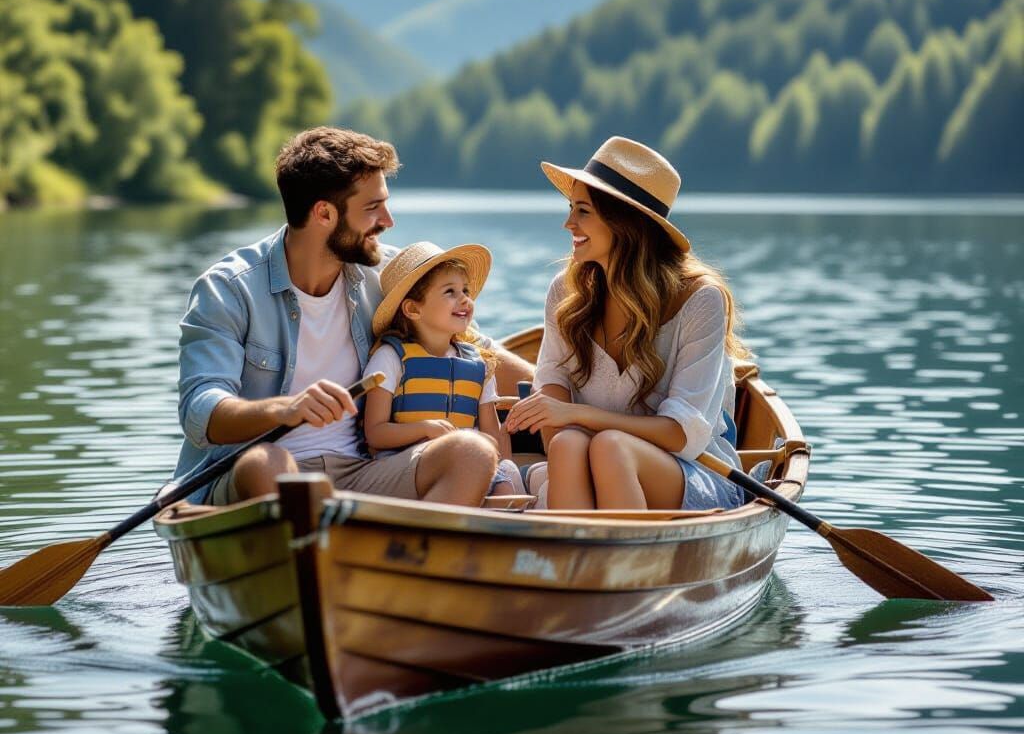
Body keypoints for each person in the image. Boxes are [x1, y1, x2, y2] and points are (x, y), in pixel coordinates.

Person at [174, 126, 532, 507]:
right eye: (373, 207)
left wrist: (560, 393)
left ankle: (410, 557)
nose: (389, 220)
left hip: (363, 472)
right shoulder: (230, 288)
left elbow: (475, 346)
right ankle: (314, 552)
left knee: (471, 451)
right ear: (324, 213)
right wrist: (286, 408)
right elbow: (201, 410)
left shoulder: (389, 277)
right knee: (268, 462)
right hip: (258, 477)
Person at [505, 136, 748, 512]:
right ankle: (574, 563)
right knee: (569, 443)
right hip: (585, 455)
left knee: (612, 447)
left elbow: (681, 434)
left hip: (690, 472)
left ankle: (627, 569)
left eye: (582, 211)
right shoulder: (567, 292)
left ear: (623, 221)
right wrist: (565, 420)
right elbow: (552, 402)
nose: (568, 222)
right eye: (572, 208)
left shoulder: (700, 299)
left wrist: (579, 414)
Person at [362, 242, 525, 497]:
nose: (465, 300)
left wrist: (501, 466)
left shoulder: (479, 364)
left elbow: (492, 434)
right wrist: (425, 428)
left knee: (506, 489)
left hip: (473, 462)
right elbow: (375, 433)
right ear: (413, 309)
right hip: (410, 465)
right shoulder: (391, 358)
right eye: (450, 291)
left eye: (466, 291)